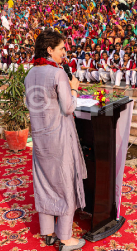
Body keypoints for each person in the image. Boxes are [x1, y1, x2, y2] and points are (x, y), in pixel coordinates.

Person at [24, 30, 87, 251]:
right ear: (49, 50)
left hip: (40, 138)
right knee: (64, 184)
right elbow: (68, 107)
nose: (64, 53)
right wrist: (73, 88)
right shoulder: (57, 72)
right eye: (61, 48)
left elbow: (28, 104)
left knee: (44, 182)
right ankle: (65, 237)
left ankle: (48, 231)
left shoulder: (30, 73)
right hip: (60, 138)